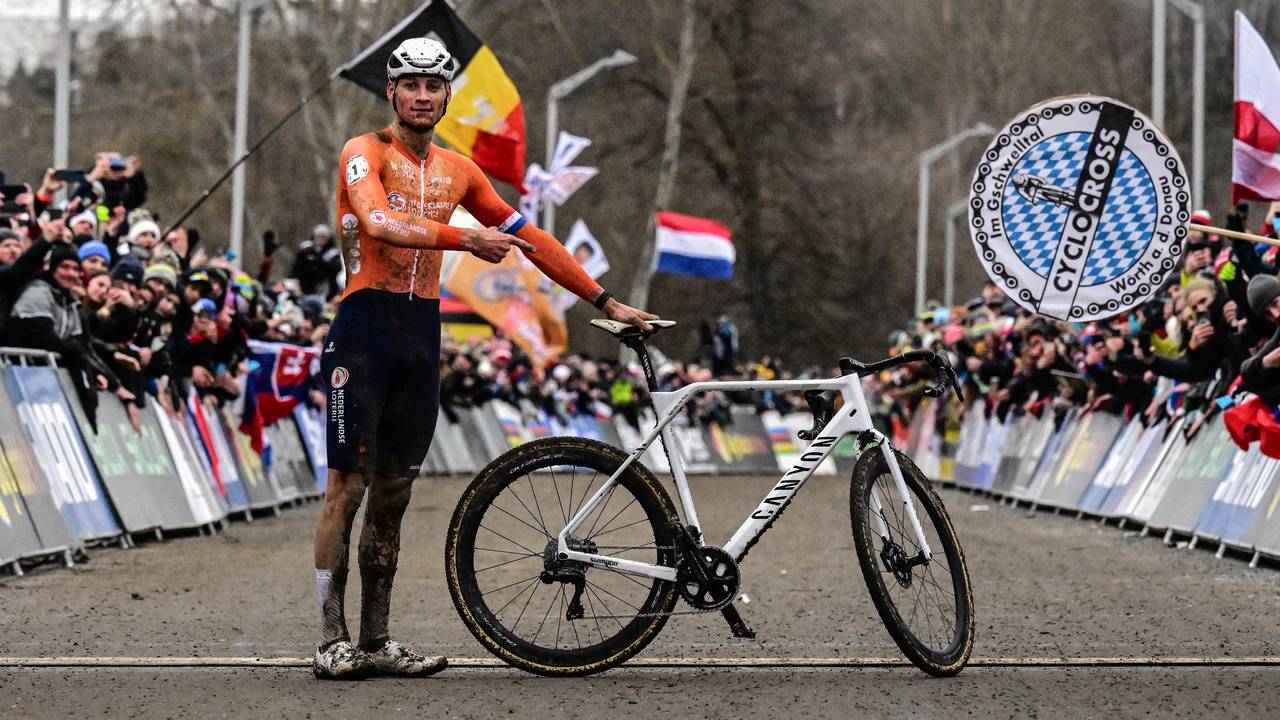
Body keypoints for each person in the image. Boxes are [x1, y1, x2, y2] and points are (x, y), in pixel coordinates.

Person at [311, 36, 659, 680]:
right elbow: (379, 220)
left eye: (432, 86)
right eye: (409, 85)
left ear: (446, 95)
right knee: (348, 487)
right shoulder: (364, 152)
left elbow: (531, 237)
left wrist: (604, 300)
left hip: (420, 332)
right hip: (363, 331)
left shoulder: (458, 169)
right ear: (391, 91)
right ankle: (330, 639)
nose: (421, 95)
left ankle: (375, 640)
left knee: (395, 492)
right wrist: (466, 237)